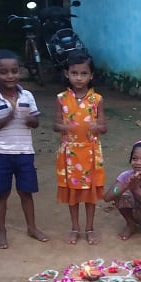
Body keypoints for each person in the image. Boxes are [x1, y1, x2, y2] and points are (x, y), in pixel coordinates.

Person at [0, 49, 49, 249]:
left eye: (14, 71)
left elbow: (36, 122)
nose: (10, 76)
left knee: (26, 192)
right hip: (0, 153)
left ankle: (32, 227)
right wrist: (9, 117)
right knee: (0, 194)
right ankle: (1, 232)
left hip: (24, 152)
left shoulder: (27, 95)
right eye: (3, 72)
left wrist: (31, 119)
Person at [54, 50, 107, 245]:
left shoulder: (97, 100)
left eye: (84, 73)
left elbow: (104, 127)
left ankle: (90, 228)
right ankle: (75, 228)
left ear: (91, 75)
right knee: (73, 193)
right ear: (67, 74)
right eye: (74, 73)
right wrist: (63, 126)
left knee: (90, 194)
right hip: (69, 154)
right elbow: (55, 124)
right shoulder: (61, 98)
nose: (79, 78)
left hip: (91, 152)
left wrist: (98, 127)